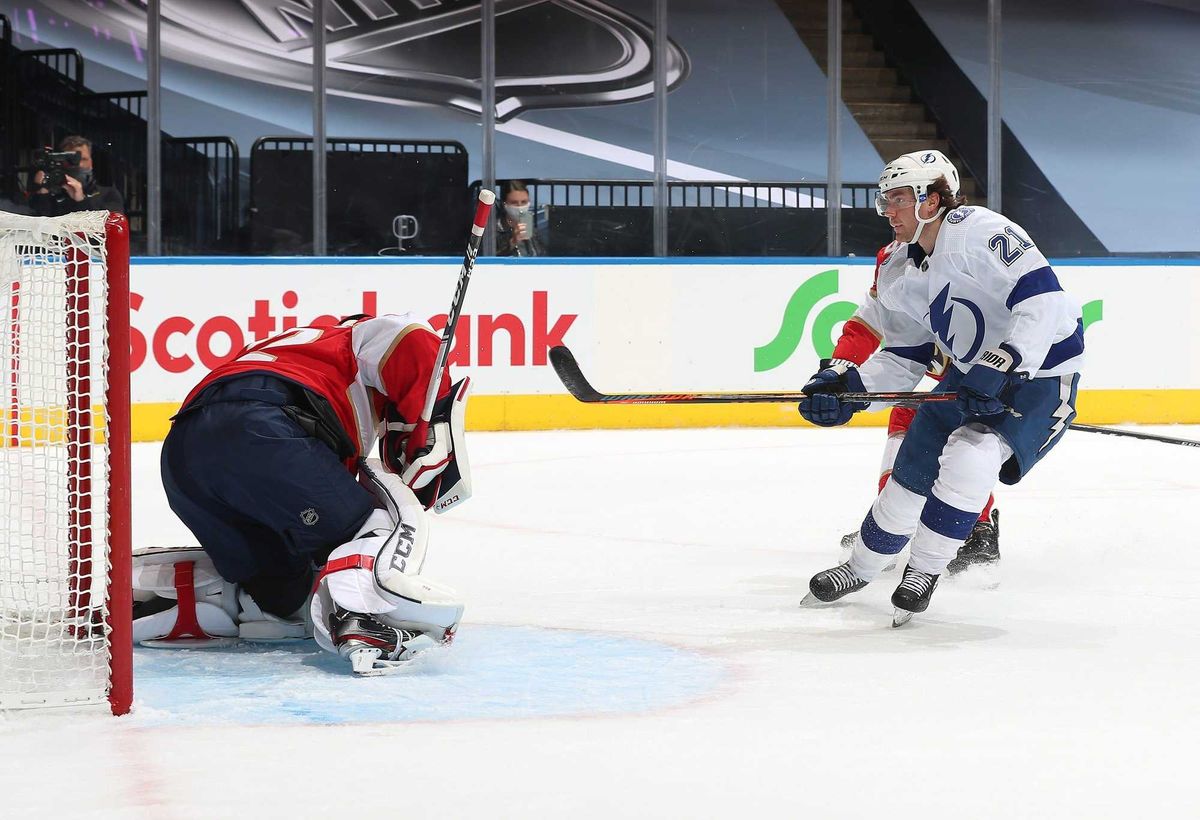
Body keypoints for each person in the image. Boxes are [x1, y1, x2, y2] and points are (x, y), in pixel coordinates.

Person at [799, 149, 1083, 625]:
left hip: (1041, 375)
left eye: (897, 199)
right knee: (912, 463)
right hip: (971, 372)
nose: (887, 210)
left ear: (931, 201)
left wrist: (1006, 362)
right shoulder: (896, 266)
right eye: (883, 199)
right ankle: (861, 567)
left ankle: (925, 571)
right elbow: (905, 356)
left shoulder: (980, 230)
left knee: (971, 457)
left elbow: (1044, 301)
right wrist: (850, 388)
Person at [140, 312, 472, 675]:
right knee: (372, 526)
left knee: (285, 600)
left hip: (184, 456)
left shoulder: (292, 347)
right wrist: (430, 425)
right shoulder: (352, 336)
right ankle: (364, 621)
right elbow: (412, 338)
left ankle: (171, 600)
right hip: (266, 428)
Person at [832, 240, 1000, 575]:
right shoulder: (892, 256)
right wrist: (837, 371)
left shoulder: (965, 247)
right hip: (939, 367)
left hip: (983, 367)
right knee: (907, 415)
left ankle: (981, 526)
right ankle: (889, 521)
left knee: (967, 436)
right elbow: (870, 321)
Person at [29, 135, 125, 217]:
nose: (79, 165)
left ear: (91, 163)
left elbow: (108, 230)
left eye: (83, 159)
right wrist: (43, 191)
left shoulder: (109, 195)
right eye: (71, 160)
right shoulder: (53, 195)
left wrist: (81, 200)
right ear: (62, 162)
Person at [495, 179, 543, 257]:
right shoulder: (493, 230)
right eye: (514, 202)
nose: (520, 206)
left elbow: (542, 255)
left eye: (524, 202)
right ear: (504, 204)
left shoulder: (532, 224)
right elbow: (487, 259)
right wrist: (512, 243)